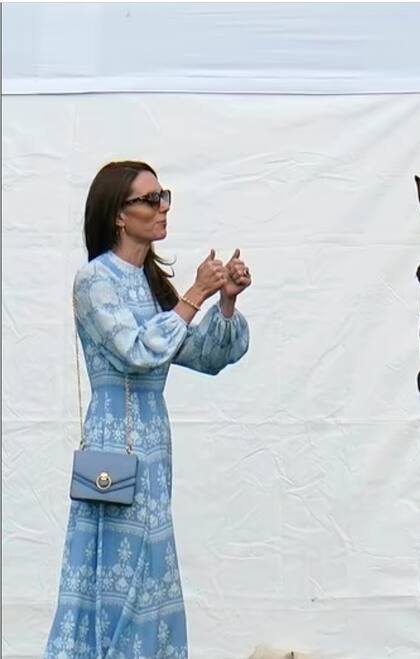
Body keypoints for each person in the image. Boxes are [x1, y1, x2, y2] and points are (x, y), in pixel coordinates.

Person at [46, 161, 251, 658]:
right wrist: (195, 294)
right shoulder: (95, 280)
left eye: (164, 196)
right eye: (150, 198)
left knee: (150, 569)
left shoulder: (150, 284)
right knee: (119, 569)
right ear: (120, 214)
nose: (162, 208)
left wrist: (223, 302)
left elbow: (203, 355)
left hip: (153, 442)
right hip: (114, 441)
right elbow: (137, 351)